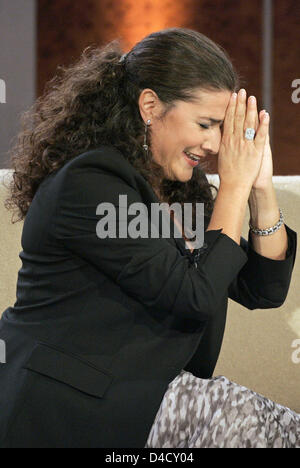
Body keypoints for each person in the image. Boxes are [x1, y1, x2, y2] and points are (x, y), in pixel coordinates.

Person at [0, 27, 298, 448]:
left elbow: (263, 288)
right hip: (66, 411)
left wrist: (260, 189)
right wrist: (232, 188)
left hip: (146, 402)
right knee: (244, 420)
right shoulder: (90, 184)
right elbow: (192, 295)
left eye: (221, 128)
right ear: (150, 106)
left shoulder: (176, 191)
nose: (215, 144)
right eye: (205, 124)